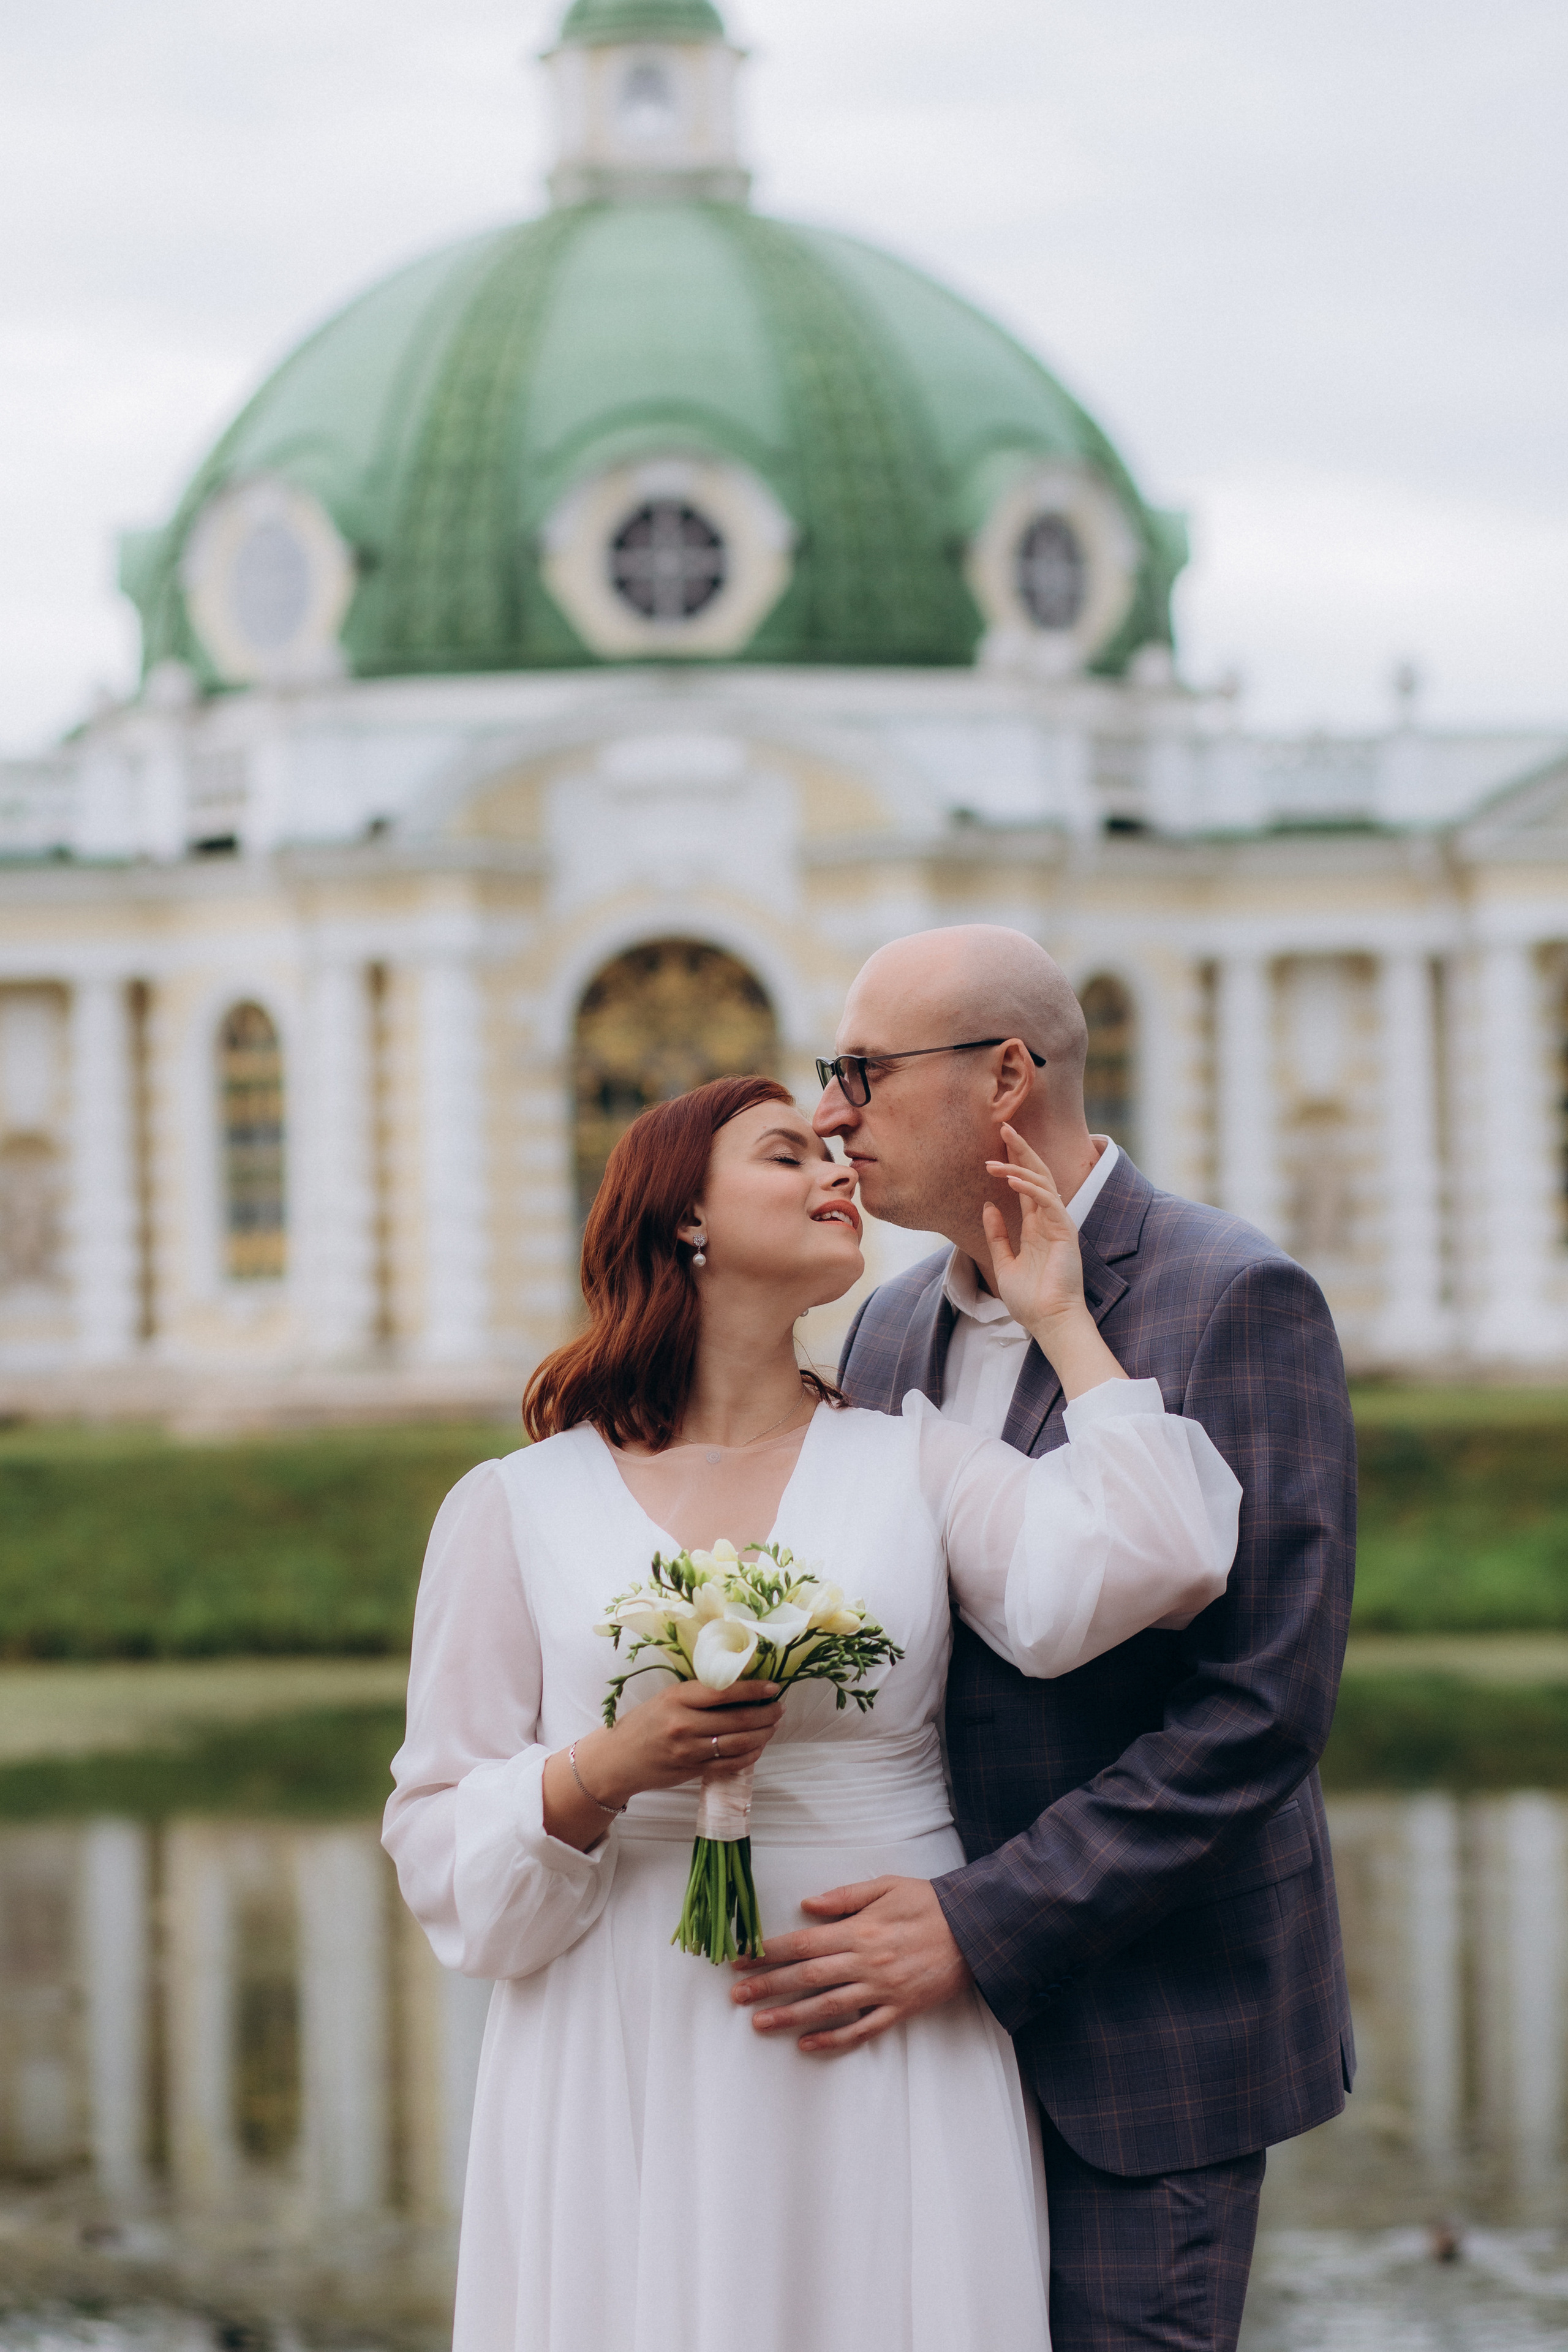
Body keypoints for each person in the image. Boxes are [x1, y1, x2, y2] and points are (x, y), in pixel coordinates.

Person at [384, 1072, 1242, 2352]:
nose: (837, 1170)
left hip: (881, 2016)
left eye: (829, 1151)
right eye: (786, 1156)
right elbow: (437, 1840)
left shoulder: (912, 1461)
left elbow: (1157, 1560)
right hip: (620, 2027)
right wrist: (600, 1771)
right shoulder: (512, 1505)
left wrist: (1056, 1317)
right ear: (684, 1220)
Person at [731, 924, 1355, 2352]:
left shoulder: (1229, 1296)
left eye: (861, 1072)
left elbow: (1260, 1710)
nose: (831, 1113)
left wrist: (976, 1925)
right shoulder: (884, 1331)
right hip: (915, 2048)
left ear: (1003, 1075)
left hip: (1150, 2035)